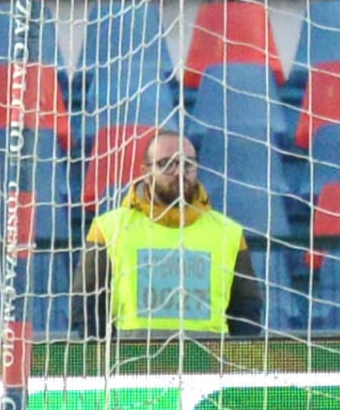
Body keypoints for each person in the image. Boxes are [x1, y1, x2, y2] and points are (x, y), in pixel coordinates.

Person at [75, 129, 263, 337]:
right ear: (146, 172)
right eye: (166, 164)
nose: (179, 172)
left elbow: (246, 309)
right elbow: (87, 306)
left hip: (208, 358)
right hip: (133, 358)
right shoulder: (108, 228)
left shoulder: (228, 233)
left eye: (187, 164)